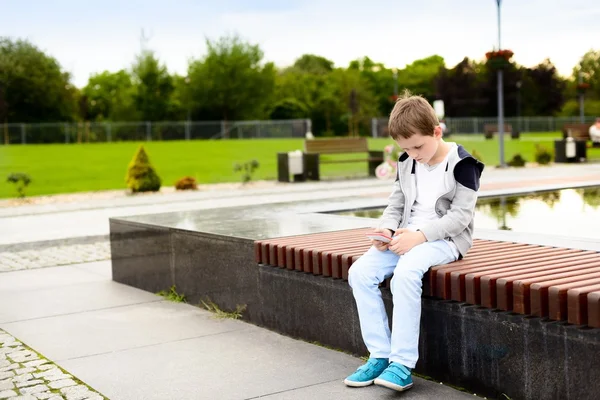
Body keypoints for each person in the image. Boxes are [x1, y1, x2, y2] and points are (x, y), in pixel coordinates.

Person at [344, 92, 484, 392]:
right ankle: (380, 355)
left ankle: (402, 364)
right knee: (360, 272)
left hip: (444, 240)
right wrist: (386, 231)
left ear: (437, 131)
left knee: (406, 273)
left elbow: (460, 217)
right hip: (405, 237)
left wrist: (419, 237)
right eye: (405, 148)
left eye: (418, 146)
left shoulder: (463, 164)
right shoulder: (407, 161)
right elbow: (396, 204)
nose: (413, 153)